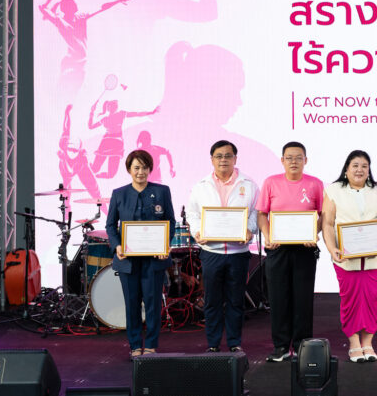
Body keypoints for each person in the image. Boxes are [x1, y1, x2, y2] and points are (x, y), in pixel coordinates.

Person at [185, 140, 260, 353]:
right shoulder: (201, 186)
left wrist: (250, 230)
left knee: (236, 300)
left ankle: (235, 343)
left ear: (235, 159)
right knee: (212, 301)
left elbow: (254, 213)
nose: (223, 160)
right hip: (211, 253)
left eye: (228, 156)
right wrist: (197, 232)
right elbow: (193, 214)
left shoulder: (249, 184)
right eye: (219, 156)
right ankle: (213, 344)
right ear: (212, 160)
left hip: (238, 253)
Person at [256, 141, 324, 362]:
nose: (294, 161)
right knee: (278, 297)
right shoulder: (271, 182)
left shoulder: (315, 184)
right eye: (289, 157)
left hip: (304, 249)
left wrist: (314, 233)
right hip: (278, 249)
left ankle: (303, 345)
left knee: (303, 298)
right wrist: (268, 236)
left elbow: (323, 215)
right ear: (282, 160)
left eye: (298, 157)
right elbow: (262, 214)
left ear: (306, 160)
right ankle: (281, 346)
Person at [322, 150, 377, 363]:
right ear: (346, 169)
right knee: (349, 300)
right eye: (355, 165)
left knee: (372, 300)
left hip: (373, 257)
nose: (360, 170)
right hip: (345, 258)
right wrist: (332, 248)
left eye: (364, 166)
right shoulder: (334, 190)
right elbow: (327, 223)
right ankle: (354, 343)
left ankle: (368, 342)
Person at [106, 149, 175, 357]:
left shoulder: (162, 191)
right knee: (132, 304)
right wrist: (117, 245)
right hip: (128, 261)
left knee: (153, 304)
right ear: (129, 169)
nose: (141, 172)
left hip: (154, 260)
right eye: (136, 168)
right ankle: (135, 346)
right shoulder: (119, 194)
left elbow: (170, 222)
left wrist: (165, 245)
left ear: (150, 169)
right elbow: (110, 225)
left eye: (145, 168)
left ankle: (151, 345)